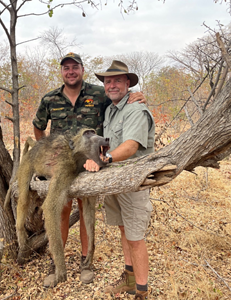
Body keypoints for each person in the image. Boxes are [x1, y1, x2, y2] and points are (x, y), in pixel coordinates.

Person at [32, 53, 146, 287]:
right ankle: (57, 263)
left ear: (82, 69)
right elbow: (38, 127)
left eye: (75, 67)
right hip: (61, 166)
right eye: (66, 68)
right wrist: (45, 156)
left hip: (90, 163)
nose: (71, 71)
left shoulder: (98, 93)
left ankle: (87, 262)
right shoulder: (50, 98)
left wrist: (138, 95)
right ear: (61, 71)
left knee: (87, 211)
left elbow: (120, 103)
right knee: (60, 211)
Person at [84, 60, 155, 300]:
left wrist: (104, 160)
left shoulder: (136, 109)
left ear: (128, 83)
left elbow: (131, 146)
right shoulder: (110, 109)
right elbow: (108, 142)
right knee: (124, 230)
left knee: (135, 237)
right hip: (115, 180)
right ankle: (130, 278)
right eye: (108, 81)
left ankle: (142, 292)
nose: (112, 85)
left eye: (117, 80)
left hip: (133, 181)